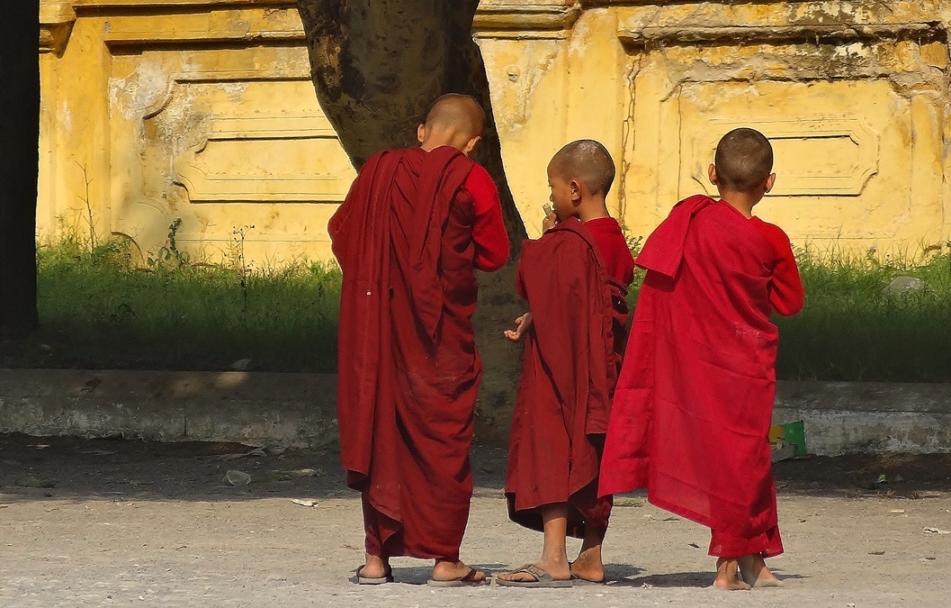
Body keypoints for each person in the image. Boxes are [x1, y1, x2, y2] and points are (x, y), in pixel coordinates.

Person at [598, 127, 804, 591]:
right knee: (743, 455)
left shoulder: (688, 221)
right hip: (745, 365)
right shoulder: (771, 240)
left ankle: (754, 558)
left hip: (698, 363)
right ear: (769, 182)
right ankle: (729, 565)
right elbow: (790, 302)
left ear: (713, 174)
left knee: (735, 457)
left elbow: (661, 291)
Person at [328, 94, 510, 587]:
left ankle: (375, 560)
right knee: (442, 437)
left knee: (379, 425)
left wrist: (385, 279)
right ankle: (445, 560)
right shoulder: (472, 178)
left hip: (380, 331)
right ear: (472, 143)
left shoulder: (378, 172)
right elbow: (494, 254)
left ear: (421, 131)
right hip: (439, 338)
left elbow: (343, 234)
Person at [496, 140, 635, 588]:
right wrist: (541, 312)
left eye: (553, 187)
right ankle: (590, 555)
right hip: (604, 363)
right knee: (596, 444)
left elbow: (529, 279)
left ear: (574, 189)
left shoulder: (566, 241)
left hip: (563, 362)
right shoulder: (614, 238)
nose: (551, 196)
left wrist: (547, 237)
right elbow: (594, 294)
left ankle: (554, 556)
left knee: (554, 440)